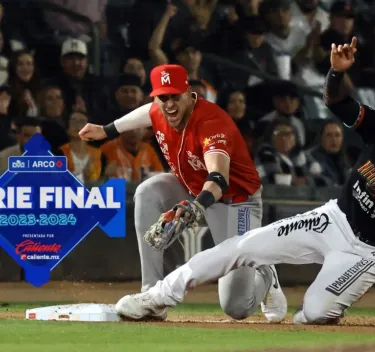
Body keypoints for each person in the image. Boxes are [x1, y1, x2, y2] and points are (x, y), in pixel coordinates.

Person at [109, 38, 375, 325]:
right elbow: (337, 101)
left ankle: (318, 303)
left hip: (369, 252)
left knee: (312, 313)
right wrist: (335, 72)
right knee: (239, 247)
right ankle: (156, 296)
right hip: (333, 219)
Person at [78, 64, 287, 322]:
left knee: (237, 307)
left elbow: (218, 178)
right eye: (162, 97)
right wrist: (107, 130)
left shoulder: (211, 123)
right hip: (191, 187)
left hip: (235, 200)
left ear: (189, 93)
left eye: (175, 96)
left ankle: (265, 273)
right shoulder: (160, 109)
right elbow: (148, 112)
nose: (168, 104)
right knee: (147, 192)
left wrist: (197, 206)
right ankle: (153, 296)